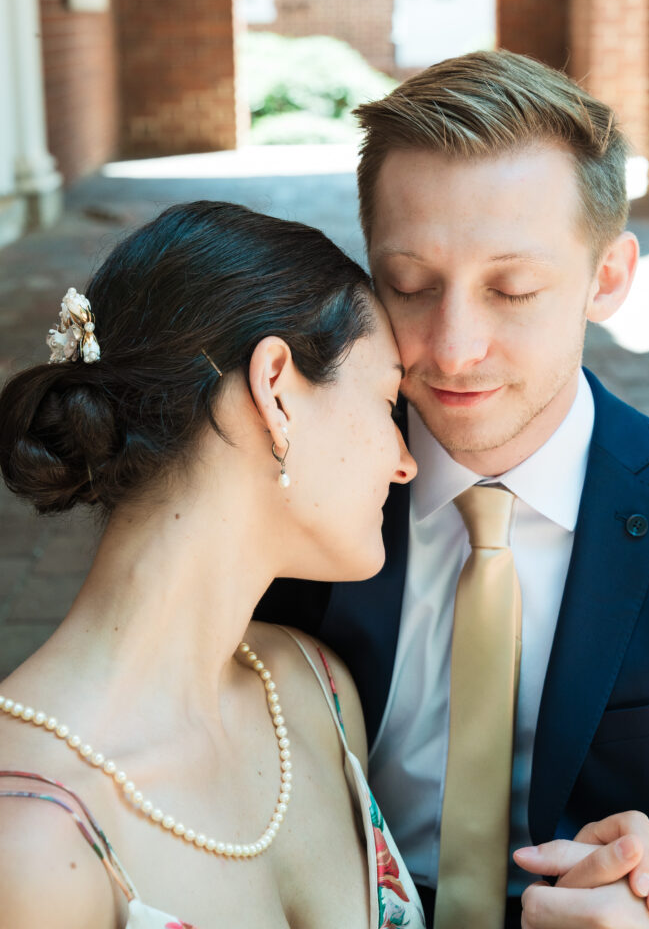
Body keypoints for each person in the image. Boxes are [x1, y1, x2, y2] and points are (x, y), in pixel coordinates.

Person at [257, 50, 649, 928]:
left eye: (512, 289)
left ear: (606, 280)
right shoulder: (287, 490)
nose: (451, 350)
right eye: (408, 285)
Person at [0, 200, 427, 928]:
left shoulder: (314, 689)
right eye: (388, 403)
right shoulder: (33, 842)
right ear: (276, 390)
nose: (406, 462)